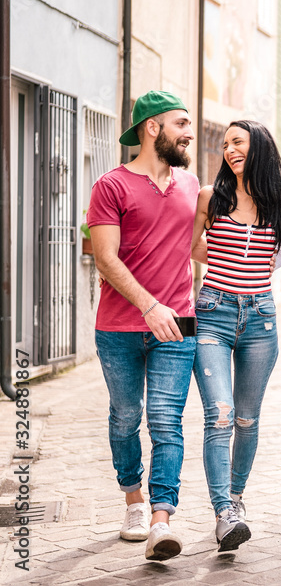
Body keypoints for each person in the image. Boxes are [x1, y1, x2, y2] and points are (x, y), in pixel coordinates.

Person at [189, 120, 281, 550]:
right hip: (212, 314)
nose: (229, 150)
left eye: (237, 141)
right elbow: (193, 249)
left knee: (246, 419)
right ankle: (223, 512)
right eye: (225, 144)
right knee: (220, 415)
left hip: (260, 321)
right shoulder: (211, 197)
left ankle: (237, 497)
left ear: (258, 146)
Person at [88, 91, 199, 561]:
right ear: (152, 128)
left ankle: (160, 520)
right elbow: (105, 258)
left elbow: (248, 192)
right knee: (125, 417)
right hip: (119, 327)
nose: (188, 132)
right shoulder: (111, 186)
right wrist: (149, 305)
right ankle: (132, 499)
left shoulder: (193, 186)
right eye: (180, 123)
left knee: (167, 422)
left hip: (180, 324)